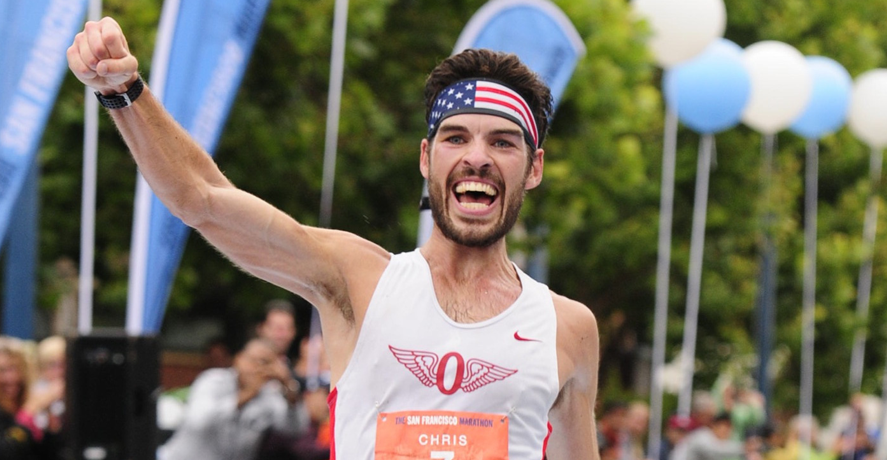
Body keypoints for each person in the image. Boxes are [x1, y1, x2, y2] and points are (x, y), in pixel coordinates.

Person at [67, 17, 600, 459]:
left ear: (533, 169)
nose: (477, 157)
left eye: (503, 142)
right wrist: (122, 91)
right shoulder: (358, 278)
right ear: (425, 159)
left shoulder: (568, 327)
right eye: (456, 137)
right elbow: (201, 198)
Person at [159, 338, 308, 460]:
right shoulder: (213, 380)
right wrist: (244, 397)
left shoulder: (269, 394)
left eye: (266, 363)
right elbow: (198, 422)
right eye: (254, 360)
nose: (257, 368)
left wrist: (289, 388)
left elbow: (295, 429)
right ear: (238, 359)